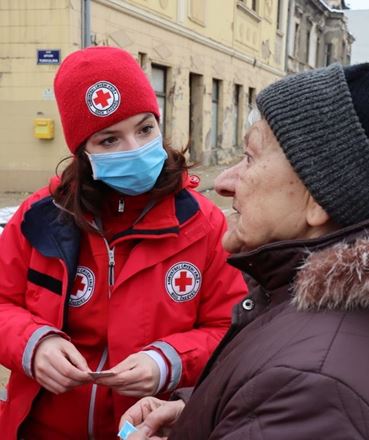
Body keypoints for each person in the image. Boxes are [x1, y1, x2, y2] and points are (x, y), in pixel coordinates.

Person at [119, 62, 369, 440]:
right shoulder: (321, 326)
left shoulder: (313, 388)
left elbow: (303, 392)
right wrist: (205, 413)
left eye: (251, 157)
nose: (223, 182)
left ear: (320, 198)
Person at [0, 46, 247, 439]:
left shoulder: (205, 225)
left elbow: (232, 330)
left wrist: (168, 361)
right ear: (82, 152)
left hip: (146, 430)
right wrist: (33, 344)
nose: (134, 149)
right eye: (109, 140)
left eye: (145, 129)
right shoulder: (41, 218)